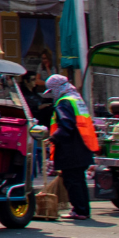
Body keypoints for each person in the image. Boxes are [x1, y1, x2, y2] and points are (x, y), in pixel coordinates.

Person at [42, 74, 99, 221]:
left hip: (71, 149)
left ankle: (79, 210)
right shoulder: (77, 99)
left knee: (72, 181)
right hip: (83, 146)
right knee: (79, 181)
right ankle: (83, 210)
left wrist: (53, 138)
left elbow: (66, 125)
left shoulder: (64, 102)